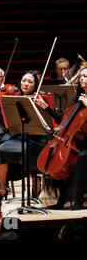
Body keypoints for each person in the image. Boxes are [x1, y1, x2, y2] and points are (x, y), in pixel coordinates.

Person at [35, 66, 87, 210]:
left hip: (85, 144)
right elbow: (64, 120)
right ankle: (62, 197)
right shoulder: (78, 99)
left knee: (82, 157)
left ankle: (78, 199)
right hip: (75, 142)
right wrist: (46, 108)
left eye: (85, 76)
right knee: (53, 157)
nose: (82, 79)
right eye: (81, 76)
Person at [0, 71, 47, 199]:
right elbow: (7, 124)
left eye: (30, 82)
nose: (25, 84)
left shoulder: (39, 100)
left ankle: (36, 183)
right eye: (24, 80)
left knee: (26, 151)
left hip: (36, 138)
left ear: (35, 86)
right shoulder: (13, 99)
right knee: (0, 150)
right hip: (18, 137)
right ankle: (2, 188)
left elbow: (46, 123)